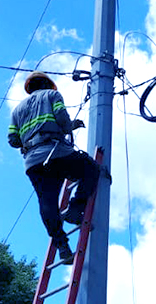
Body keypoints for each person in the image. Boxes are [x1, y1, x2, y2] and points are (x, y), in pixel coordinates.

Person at [8, 72, 100, 264]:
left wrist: (29, 139)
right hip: (56, 152)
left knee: (47, 201)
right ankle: (75, 208)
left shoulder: (16, 110)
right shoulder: (52, 95)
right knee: (91, 169)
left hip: (33, 162)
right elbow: (61, 117)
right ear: (47, 84)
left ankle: (62, 246)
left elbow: (13, 140)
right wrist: (69, 127)